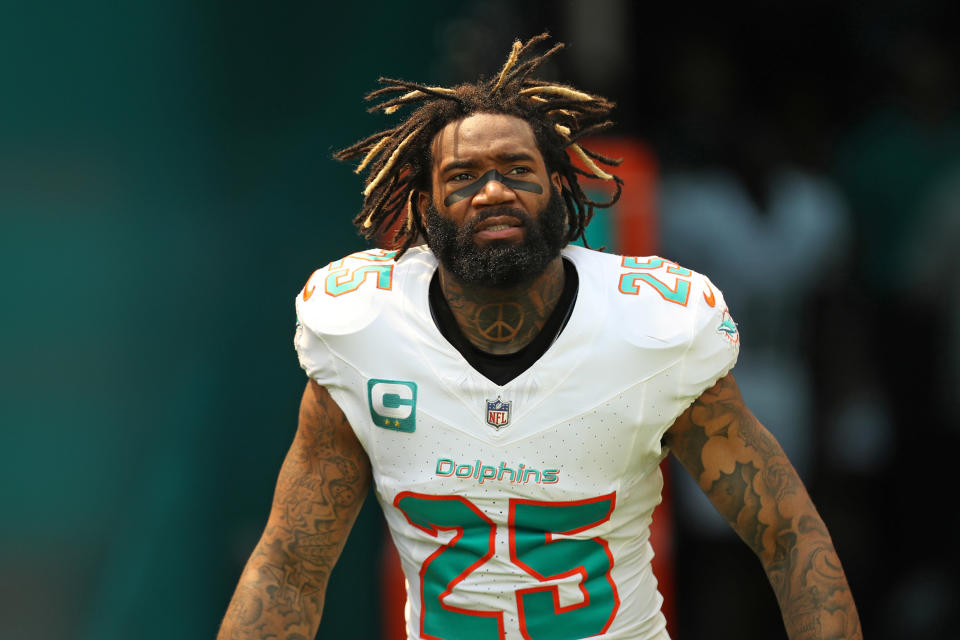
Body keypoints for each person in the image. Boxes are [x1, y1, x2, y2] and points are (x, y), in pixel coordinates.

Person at [218, 34, 862, 640]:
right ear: (422, 207)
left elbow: (787, 534)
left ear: (558, 186)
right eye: (463, 176)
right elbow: (290, 565)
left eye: (516, 170)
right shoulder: (365, 329)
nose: (493, 191)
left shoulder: (651, 327)